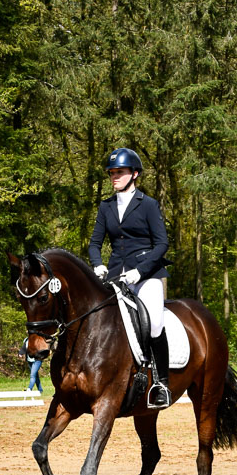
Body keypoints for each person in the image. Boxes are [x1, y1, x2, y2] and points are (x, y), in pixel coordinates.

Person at [88, 147, 171, 408]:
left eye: (120, 172)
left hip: (146, 274)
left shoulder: (148, 205)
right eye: (112, 173)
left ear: (134, 174)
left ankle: (161, 383)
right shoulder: (106, 206)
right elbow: (94, 243)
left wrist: (140, 270)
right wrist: (98, 264)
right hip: (115, 274)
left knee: (155, 323)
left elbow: (161, 244)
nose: (114, 177)